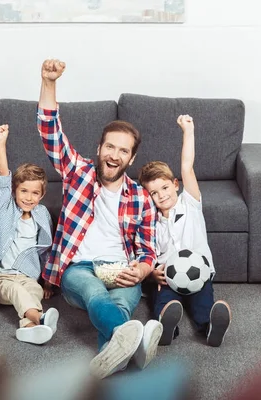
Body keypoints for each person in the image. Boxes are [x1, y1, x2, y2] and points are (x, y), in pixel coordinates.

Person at [37, 59, 162, 379]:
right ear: (99, 147)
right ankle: (139, 342)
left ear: (131, 158)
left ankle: (114, 360)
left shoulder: (141, 199)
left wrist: (141, 270)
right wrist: (49, 83)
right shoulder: (78, 173)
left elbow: (148, 249)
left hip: (122, 268)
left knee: (119, 306)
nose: (114, 155)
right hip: (79, 268)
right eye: (110, 146)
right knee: (95, 294)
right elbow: (51, 131)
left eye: (123, 151)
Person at [138, 114, 231, 347]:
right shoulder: (150, 222)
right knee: (165, 300)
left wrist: (187, 131)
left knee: (202, 301)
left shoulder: (189, 204)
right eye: (154, 193)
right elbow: (145, 254)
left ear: (176, 185)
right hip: (167, 277)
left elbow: (187, 166)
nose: (162, 195)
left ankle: (210, 327)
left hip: (199, 274)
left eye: (165, 187)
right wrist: (152, 273)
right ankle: (165, 327)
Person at [0, 123, 58, 345]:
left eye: (35, 193)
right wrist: (1, 142)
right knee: (15, 289)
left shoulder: (42, 215)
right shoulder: (5, 208)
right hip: (0, 279)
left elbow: (45, 252)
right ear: (14, 191)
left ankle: (30, 328)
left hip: (28, 278)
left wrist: (47, 284)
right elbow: (3, 176)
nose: (29, 197)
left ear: (42, 195)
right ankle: (41, 318)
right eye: (24, 191)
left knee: (31, 293)